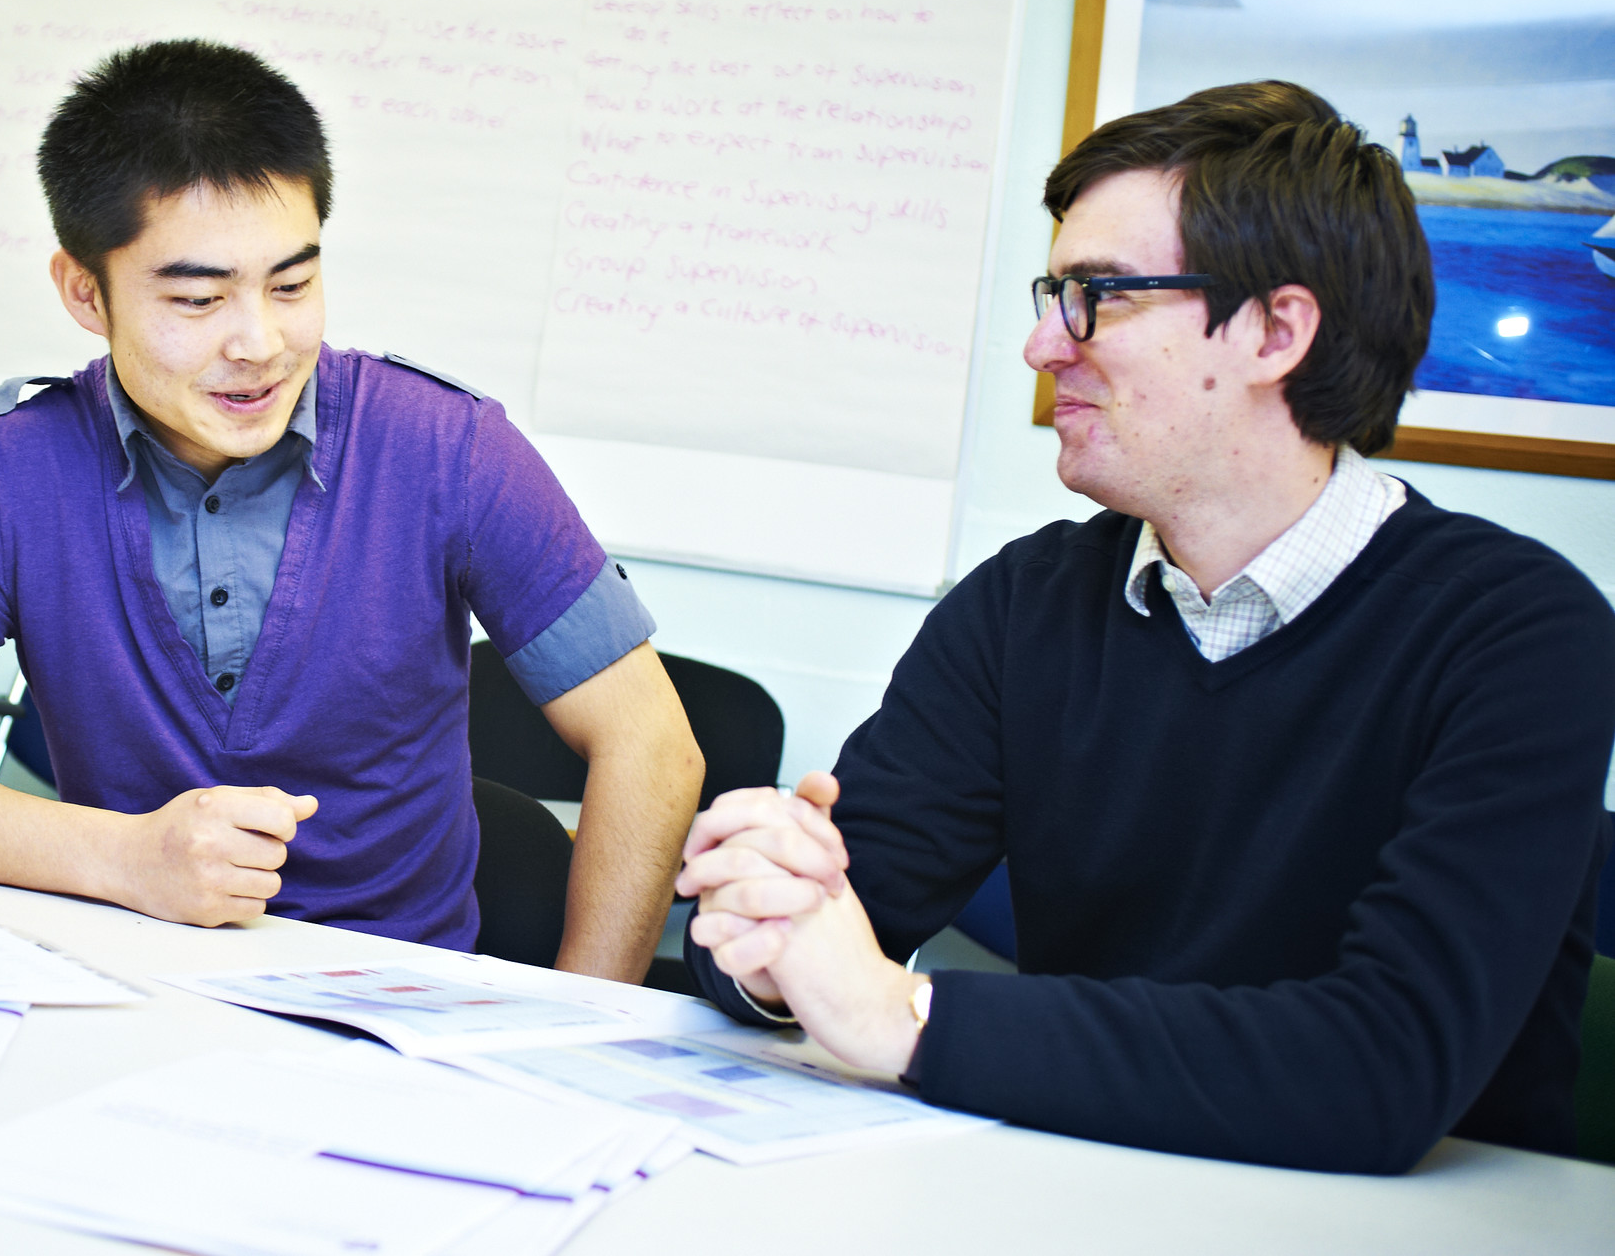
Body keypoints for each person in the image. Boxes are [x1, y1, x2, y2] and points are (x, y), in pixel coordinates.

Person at [677, 80, 1615, 1172]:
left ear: (1275, 330)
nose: (1042, 345)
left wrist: (902, 1018)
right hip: (1084, 1177)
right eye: (1052, 293)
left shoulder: (1519, 634)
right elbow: (843, 919)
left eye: (1100, 295)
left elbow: (1383, 1070)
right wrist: (764, 927)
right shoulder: (1022, 606)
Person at [0, 39, 701, 975]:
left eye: (293, 284)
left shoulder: (448, 450)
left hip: (393, 1023)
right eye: (196, 298)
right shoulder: (12, 473)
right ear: (82, 292)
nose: (259, 342)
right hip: (128, 994)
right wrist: (124, 857)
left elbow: (649, 742)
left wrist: (585, 1024)